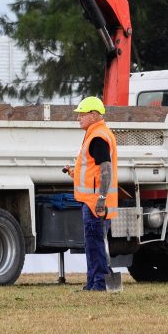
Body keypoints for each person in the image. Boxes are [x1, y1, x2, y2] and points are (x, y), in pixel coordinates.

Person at [64, 96, 118, 292]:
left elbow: (106, 170)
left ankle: (100, 284)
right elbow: (94, 171)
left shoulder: (97, 136)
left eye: (82, 114)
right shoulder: (95, 134)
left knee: (95, 244)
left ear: (94, 115)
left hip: (96, 202)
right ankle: (93, 283)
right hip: (93, 200)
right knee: (93, 243)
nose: (78, 117)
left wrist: (101, 199)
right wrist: (75, 174)